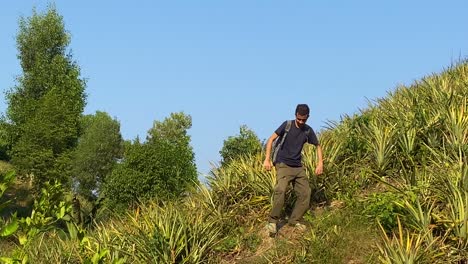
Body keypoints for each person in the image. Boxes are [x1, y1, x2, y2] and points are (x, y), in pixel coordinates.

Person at [263, 104, 323, 235]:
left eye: (304, 119)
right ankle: (272, 222)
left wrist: (320, 164)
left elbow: (318, 145)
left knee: (306, 192)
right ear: (295, 115)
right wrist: (267, 159)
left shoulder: (307, 130)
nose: (301, 122)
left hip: (298, 167)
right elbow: (271, 139)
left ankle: (294, 220)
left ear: (308, 117)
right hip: (283, 164)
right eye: (299, 119)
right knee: (281, 189)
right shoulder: (287, 125)